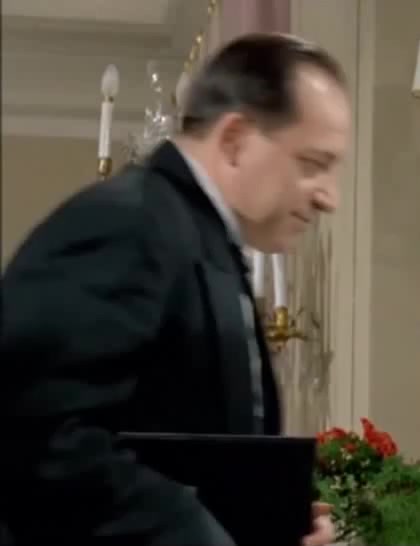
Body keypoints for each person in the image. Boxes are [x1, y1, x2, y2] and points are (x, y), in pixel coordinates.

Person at [0, 33, 349, 546]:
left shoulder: (195, 236)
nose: (329, 197)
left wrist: (273, 523)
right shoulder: (127, 223)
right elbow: (38, 438)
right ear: (235, 140)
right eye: (313, 164)